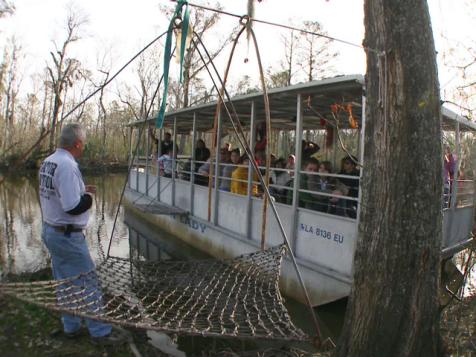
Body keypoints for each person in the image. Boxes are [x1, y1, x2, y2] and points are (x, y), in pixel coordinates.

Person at [39, 123, 126, 345]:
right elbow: (72, 207)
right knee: (88, 282)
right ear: (77, 143)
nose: (84, 147)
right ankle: (100, 332)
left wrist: (81, 190)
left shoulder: (49, 161)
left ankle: (71, 327)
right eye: (83, 143)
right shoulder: (68, 165)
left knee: (65, 282)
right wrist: (87, 198)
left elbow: (59, 195)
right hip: (67, 236)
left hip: (51, 231)